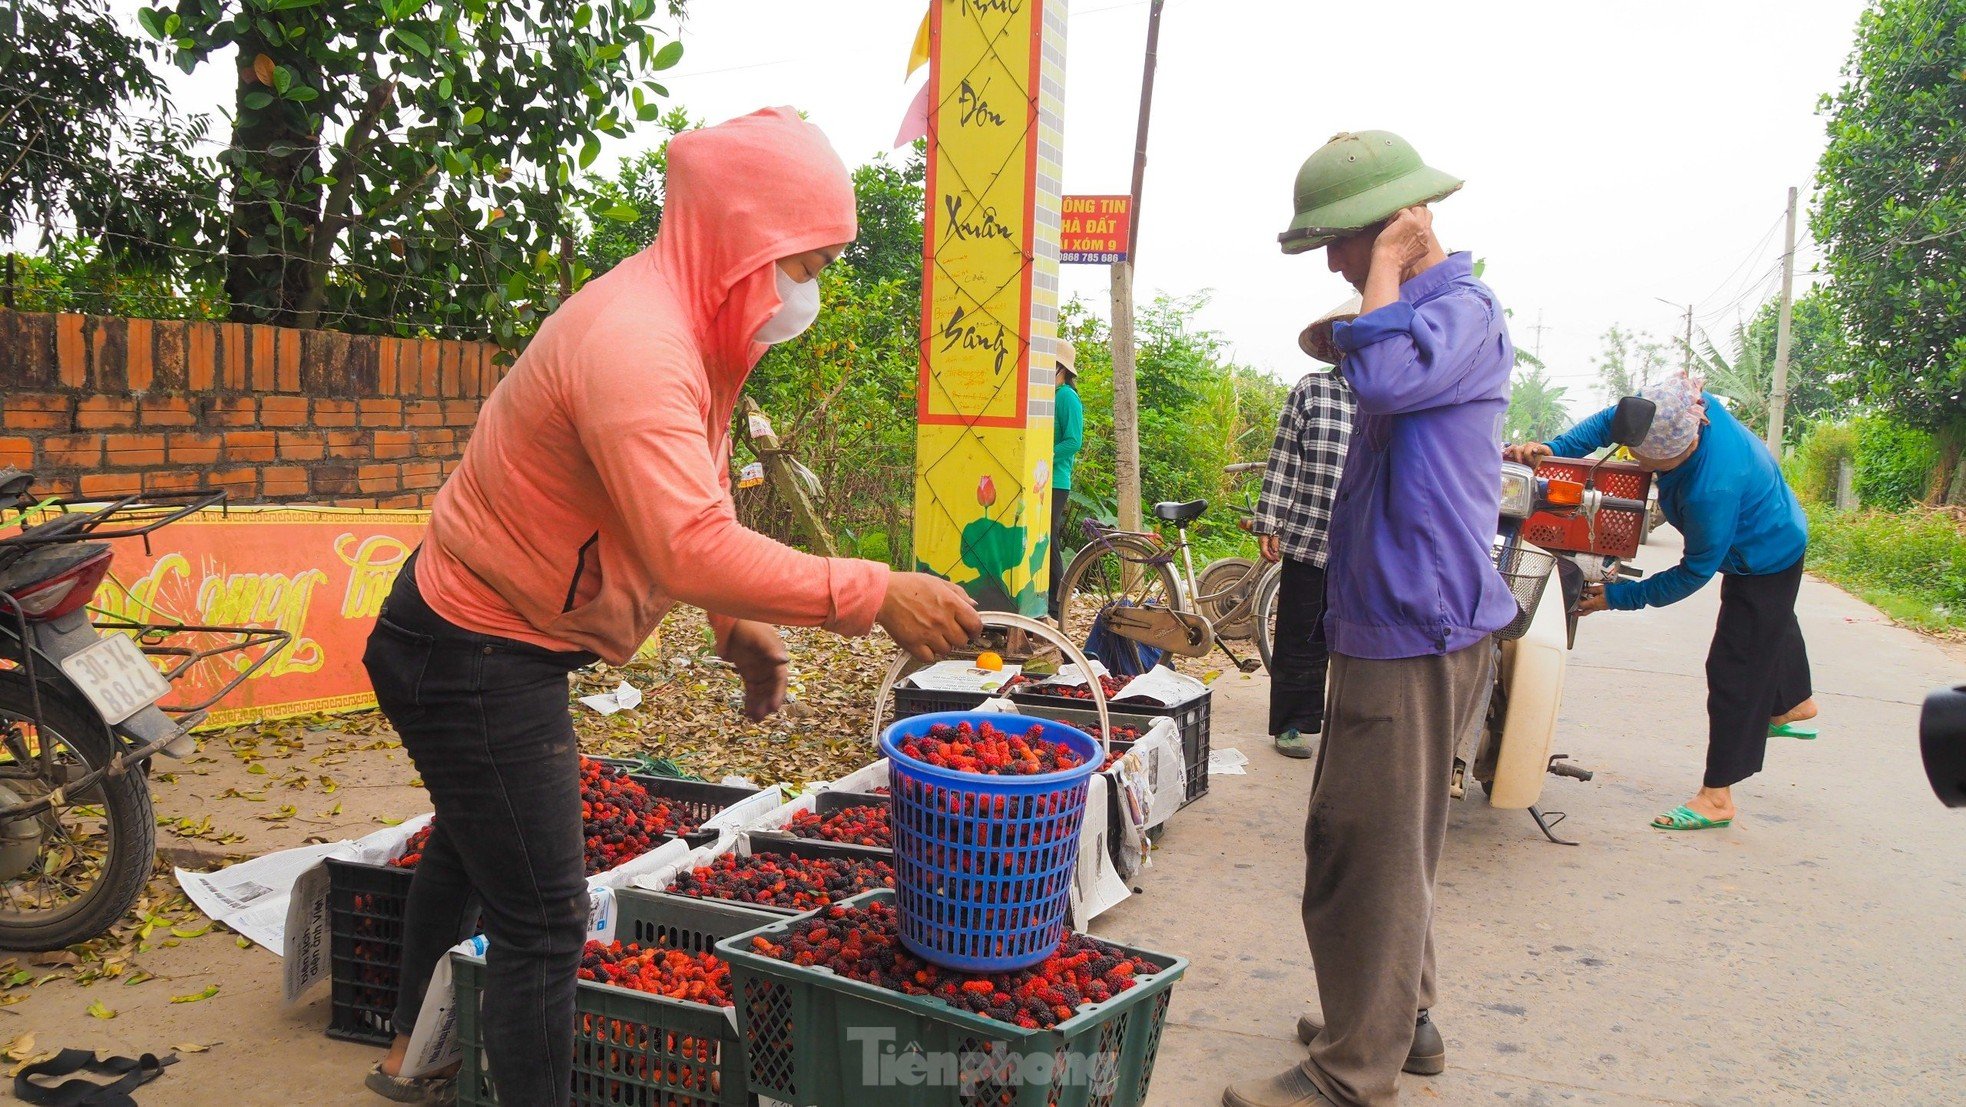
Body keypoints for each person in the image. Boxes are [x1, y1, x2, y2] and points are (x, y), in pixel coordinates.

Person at [358, 107, 981, 1106]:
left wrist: (738, 626)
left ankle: (410, 1053)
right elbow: (687, 546)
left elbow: (689, 501)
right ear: (742, 240)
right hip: (470, 647)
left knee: (482, 847)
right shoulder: (636, 341)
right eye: (804, 264)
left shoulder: (696, 329)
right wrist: (873, 592)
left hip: (488, 634)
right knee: (547, 918)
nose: (806, 291)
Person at [1225, 130, 1518, 1107]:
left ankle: (1355, 1069)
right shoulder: (1423, 317)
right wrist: (1376, 292)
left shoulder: (1461, 311)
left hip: (1417, 622)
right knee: (1378, 840)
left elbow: (1383, 382)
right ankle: (1404, 1022)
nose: (1337, 266)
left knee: (1367, 853)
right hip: (1388, 617)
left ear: (1388, 226)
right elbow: (1374, 372)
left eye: (1341, 245)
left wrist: (1388, 264)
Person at [1506, 375, 1816, 831]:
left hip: (1764, 555)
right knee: (1771, 626)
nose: (1635, 460)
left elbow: (1694, 573)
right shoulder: (1679, 406)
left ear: (1679, 450)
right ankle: (1795, 705)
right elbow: (1609, 425)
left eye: (1645, 457)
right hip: (1772, 525)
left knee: (1735, 673)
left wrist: (1619, 596)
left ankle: (1717, 798)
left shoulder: (1712, 489)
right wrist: (1553, 447)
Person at [1251, 297, 1357, 759]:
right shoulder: (1312, 391)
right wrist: (1269, 520)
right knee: (1300, 631)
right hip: (1311, 534)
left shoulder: (1391, 401)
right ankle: (1293, 723)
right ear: (1338, 343)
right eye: (1351, 333)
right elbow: (1284, 459)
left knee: (1360, 638)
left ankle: (1353, 724)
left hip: (1367, 545)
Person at [1048, 341, 1084, 624]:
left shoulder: (1067, 397)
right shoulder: (1052, 395)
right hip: (1042, 478)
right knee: (1042, 538)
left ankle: (1056, 603)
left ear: (1060, 368)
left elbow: (1073, 441)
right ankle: (1048, 599)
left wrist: (1045, 456)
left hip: (1056, 479)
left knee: (1050, 536)